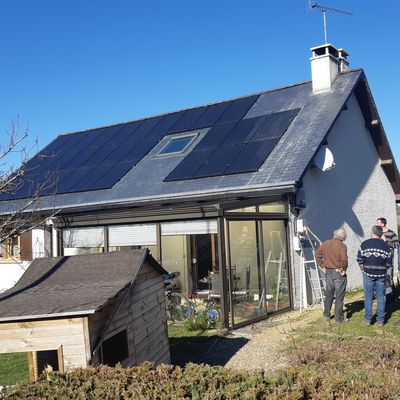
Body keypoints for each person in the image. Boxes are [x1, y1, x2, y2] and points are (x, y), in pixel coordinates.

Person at [357, 225, 392, 326]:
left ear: (373, 232)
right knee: (381, 296)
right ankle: (380, 320)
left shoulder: (364, 244)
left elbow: (359, 259)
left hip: (368, 274)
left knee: (368, 296)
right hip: (381, 275)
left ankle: (368, 320)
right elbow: (389, 263)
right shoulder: (386, 246)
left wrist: (362, 269)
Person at [315, 228, 348, 323]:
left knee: (329, 294)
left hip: (328, 272)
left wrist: (322, 265)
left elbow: (317, 254)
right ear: (343, 237)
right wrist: (344, 270)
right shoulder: (342, 246)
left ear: (335, 235)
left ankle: (326, 314)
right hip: (338, 272)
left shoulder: (326, 243)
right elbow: (344, 260)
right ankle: (339, 318)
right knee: (339, 296)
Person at [376, 218, 399, 296]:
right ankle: (382, 292)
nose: (376, 225)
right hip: (379, 258)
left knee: (389, 275)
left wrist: (386, 241)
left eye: (378, 223)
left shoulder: (391, 233)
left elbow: (396, 245)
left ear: (382, 224)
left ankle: (391, 293)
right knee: (381, 275)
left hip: (388, 257)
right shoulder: (378, 234)